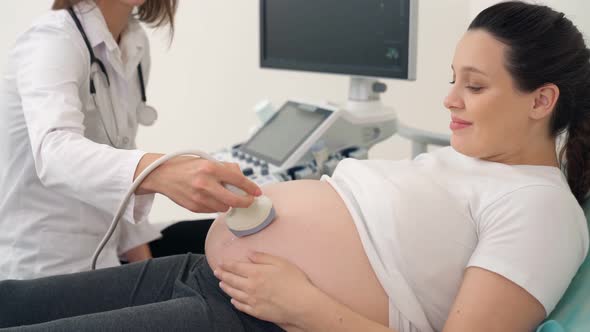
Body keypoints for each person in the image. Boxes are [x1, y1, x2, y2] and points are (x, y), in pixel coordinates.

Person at [0, 1, 589, 331]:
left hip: (259, 319)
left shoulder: (543, 210)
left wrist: (304, 305)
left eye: (476, 87)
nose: (449, 101)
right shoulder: (460, 160)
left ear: (542, 100)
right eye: (453, 81)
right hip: (204, 277)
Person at [0, 0, 261, 280]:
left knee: (233, 244)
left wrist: (143, 270)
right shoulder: (52, 39)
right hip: (43, 268)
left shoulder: (134, 42)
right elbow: (54, 152)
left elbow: (119, 156)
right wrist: (159, 170)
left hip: (105, 252)